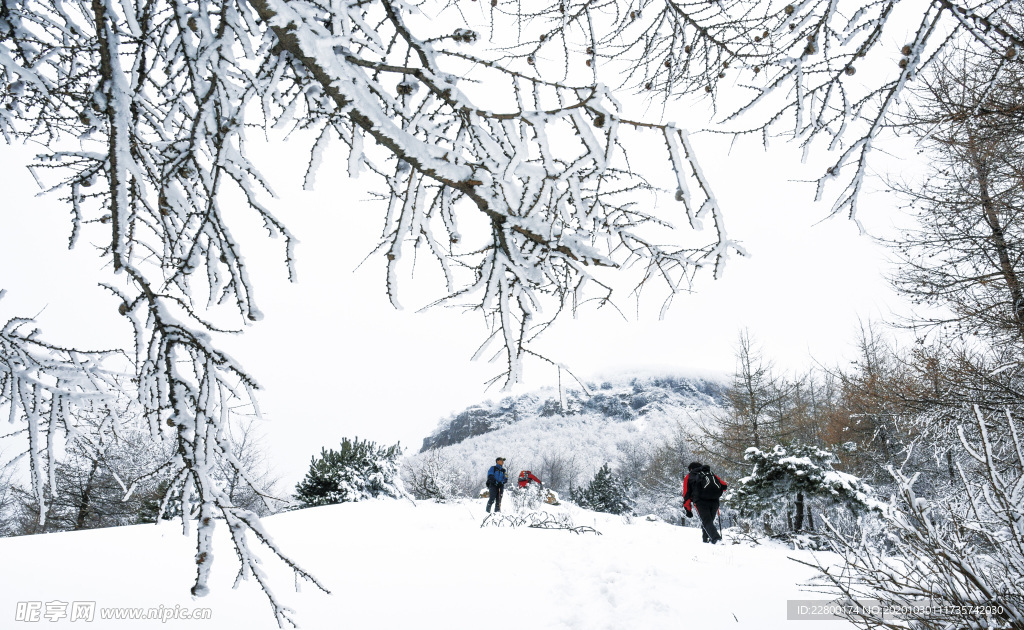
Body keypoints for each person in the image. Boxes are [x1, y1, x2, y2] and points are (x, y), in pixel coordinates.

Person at [683, 461, 727, 544]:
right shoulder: (710, 474)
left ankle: (716, 539)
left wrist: (688, 510)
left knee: (706, 521)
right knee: (708, 521)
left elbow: (686, 495)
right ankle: (706, 540)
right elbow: (724, 486)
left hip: (700, 502)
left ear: (691, 469)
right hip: (714, 501)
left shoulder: (689, 476)